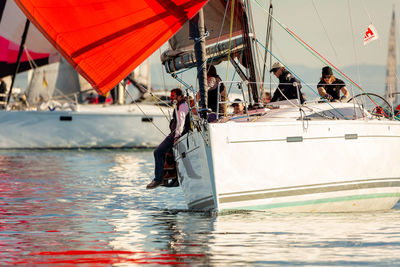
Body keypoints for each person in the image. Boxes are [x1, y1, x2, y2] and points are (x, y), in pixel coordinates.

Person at [146, 88, 190, 189]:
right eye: (171, 96)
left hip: (177, 134)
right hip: (177, 133)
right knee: (170, 154)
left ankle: (158, 179)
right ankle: (173, 180)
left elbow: (181, 122)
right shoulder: (180, 105)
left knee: (158, 152)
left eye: (173, 96)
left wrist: (177, 136)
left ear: (179, 96)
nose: (171, 98)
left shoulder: (182, 106)